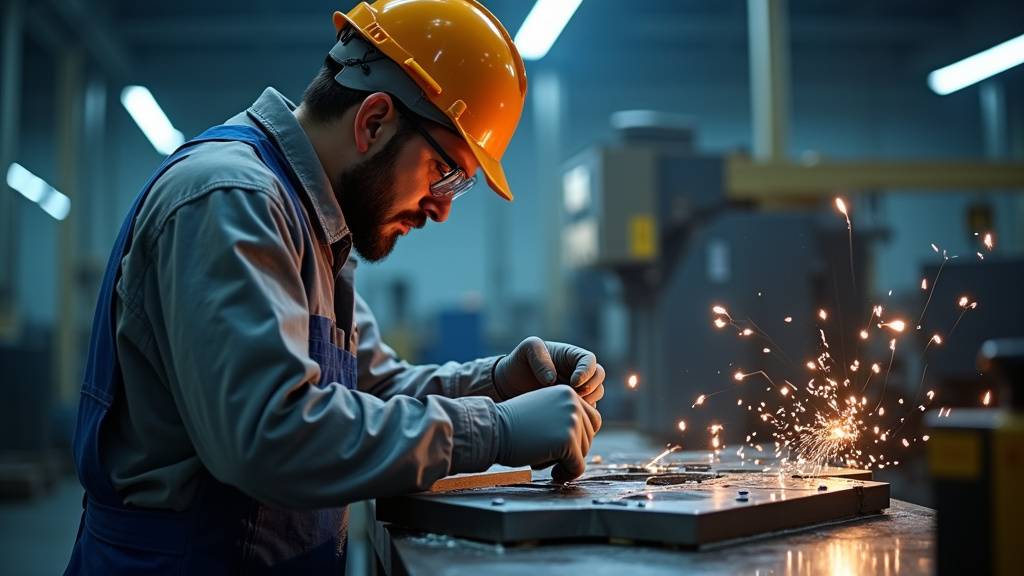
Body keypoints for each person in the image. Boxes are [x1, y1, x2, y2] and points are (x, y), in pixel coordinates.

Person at [64, 1, 605, 573]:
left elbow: (372, 388)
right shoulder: (231, 201)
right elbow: (271, 435)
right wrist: (494, 430)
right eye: (446, 174)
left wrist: (498, 383)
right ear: (374, 121)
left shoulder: (315, 227)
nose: (442, 210)